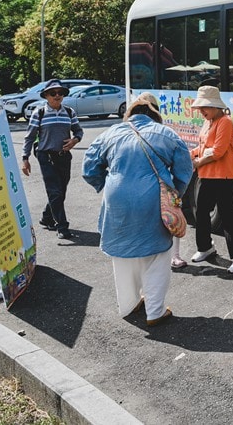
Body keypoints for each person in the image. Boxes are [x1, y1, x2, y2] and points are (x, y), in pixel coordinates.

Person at [82, 93, 193, 327]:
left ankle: (128, 305)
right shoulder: (167, 134)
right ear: (155, 116)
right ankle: (155, 311)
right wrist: (174, 195)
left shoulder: (110, 133)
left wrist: (106, 183)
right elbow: (185, 170)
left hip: (117, 200)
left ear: (129, 115)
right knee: (158, 256)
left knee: (122, 256)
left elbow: (89, 169)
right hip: (153, 199)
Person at [188, 86, 233, 273]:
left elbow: (217, 151)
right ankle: (205, 247)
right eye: (200, 107)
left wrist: (197, 161)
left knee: (228, 215)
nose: (201, 111)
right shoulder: (208, 121)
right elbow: (204, 147)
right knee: (201, 212)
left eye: (205, 107)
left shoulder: (225, 121)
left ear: (216, 106)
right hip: (206, 174)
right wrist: (191, 154)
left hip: (223, 174)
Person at [21, 79, 84, 240]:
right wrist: (25, 158)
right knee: (55, 192)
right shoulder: (39, 112)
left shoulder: (69, 112)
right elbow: (29, 137)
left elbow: (78, 131)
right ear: (46, 96)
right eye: (53, 93)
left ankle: (46, 217)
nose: (57, 96)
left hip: (64, 157)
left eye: (60, 93)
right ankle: (62, 226)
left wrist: (74, 140)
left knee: (61, 192)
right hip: (45, 156)